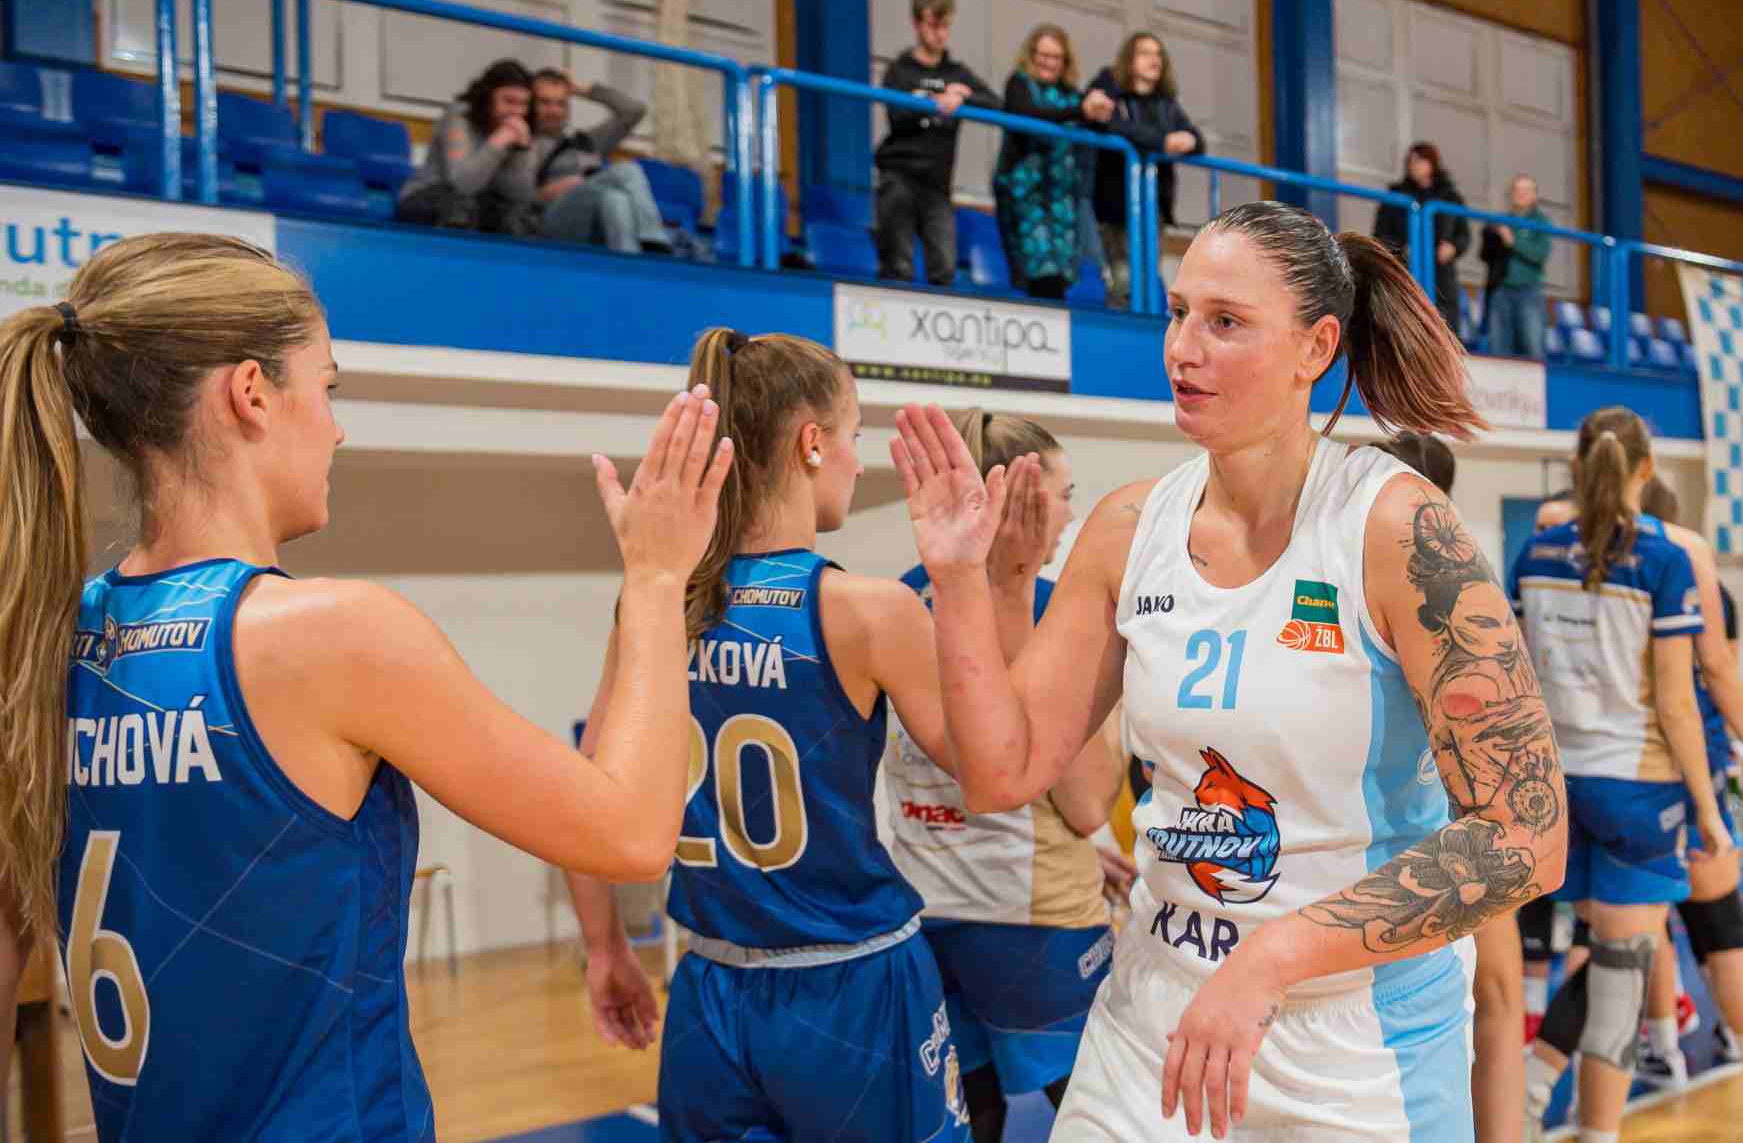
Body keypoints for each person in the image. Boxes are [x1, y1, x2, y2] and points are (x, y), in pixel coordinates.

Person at [0, 233, 732, 1140]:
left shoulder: (48, 635)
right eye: (328, 388)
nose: (337, 427)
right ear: (251, 393)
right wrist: (657, 578)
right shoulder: (330, 635)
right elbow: (630, 834)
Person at [892, 199, 1568, 1141]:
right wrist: (963, 579)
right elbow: (1000, 772)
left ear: (1314, 347)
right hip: (1158, 1012)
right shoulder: (1127, 530)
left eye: (1225, 322)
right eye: (1178, 313)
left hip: (1354, 1039)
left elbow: (1528, 835)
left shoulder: (1396, 528)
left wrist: (1274, 956)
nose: (1183, 348)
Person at [564, 328, 1050, 1142]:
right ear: (813, 443)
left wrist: (606, 948)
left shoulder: (653, 601)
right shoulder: (867, 610)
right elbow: (992, 774)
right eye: (854, 435)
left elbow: (586, 790)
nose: (858, 463)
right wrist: (981, 581)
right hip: (852, 984)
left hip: (710, 983)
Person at [1523, 463, 1743, 1135]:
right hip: (1668, 773)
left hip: (1621, 775)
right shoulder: (1682, 562)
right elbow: (1717, 674)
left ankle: (1553, 1085)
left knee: (1621, 948)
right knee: (1700, 932)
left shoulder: (1584, 564)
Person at [884, 408, 1126, 1143]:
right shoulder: (1054, 609)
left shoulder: (896, 600)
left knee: (971, 1118)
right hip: (1033, 923)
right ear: (1016, 498)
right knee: (1103, 1114)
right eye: (1062, 494)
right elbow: (1087, 805)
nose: (1070, 513)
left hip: (927, 909)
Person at [1512, 407, 1731, 1143]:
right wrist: (1707, 808)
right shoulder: (1663, 560)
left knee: (1597, 954)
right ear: (1646, 469)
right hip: (1638, 789)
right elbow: (1675, 702)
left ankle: (1534, 1089)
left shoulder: (1535, 553)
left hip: (1557, 784)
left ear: (1577, 467)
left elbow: (1518, 676)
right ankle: (1578, 1121)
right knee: (1618, 971)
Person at [1371, 431, 1523, 1143]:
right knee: (1495, 997)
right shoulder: (1469, 596)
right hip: (1430, 838)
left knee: (1489, 997)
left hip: (1430, 836)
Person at [873, 0, 1002, 285]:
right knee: (899, 264)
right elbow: (897, 115)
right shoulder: (900, 70)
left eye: (945, 26)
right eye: (933, 25)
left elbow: (997, 104)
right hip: (899, 175)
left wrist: (963, 97)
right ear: (917, 23)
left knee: (944, 267)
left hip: (938, 183)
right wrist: (933, 101)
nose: (940, 34)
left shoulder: (957, 72)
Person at [991, 27, 1115, 299]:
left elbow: (1096, 124)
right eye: (1043, 55)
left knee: (1060, 275)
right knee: (1041, 271)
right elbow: (1028, 113)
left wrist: (1100, 112)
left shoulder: (1071, 95)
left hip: (1061, 200)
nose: (1049, 62)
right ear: (1031, 55)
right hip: (1025, 196)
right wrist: (1080, 110)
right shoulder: (1019, 84)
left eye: (1056, 57)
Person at [1087, 32, 1202, 309]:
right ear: (1130, 59)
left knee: (1148, 280)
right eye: (1146, 53)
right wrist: (1162, 142)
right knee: (1124, 281)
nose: (1155, 60)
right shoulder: (1109, 83)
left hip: (1154, 207)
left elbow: (1196, 139)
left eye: (1158, 54)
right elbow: (1109, 124)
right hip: (1116, 205)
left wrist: (1190, 140)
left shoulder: (1166, 103)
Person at [529, 68, 673, 255]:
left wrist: (581, 89)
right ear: (531, 104)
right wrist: (560, 188)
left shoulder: (586, 141)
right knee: (627, 170)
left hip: (592, 225)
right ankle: (654, 239)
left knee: (615, 199)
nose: (554, 111)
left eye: (561, 103)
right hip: (549, 224)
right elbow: (518, 200)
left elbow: (634, 110)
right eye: (545, 102)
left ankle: (629, 261)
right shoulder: (525, 143)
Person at [397, 59, 539, 235]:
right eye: (509, 101)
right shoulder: (459, 115)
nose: (517, 112)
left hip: (480, 202)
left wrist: (522, 151)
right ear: (488, 98)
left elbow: (522, 197)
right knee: (462, 207)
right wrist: (498, 142)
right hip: (426, 197)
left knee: (520, 218)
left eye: (523, 104)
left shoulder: (521, 128)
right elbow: (463, 185)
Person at [1372, 143, 1470, 338]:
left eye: (1419, 160)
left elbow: (1463, 234)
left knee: (1444, 333)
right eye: (1410, 161)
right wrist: (1401, 249)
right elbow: (1381, 233)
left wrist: (1453, 247)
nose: (1413, 165)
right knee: (1405, 330)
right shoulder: (1395, 195)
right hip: (1404, 271)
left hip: (1441, 275)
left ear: (1432, 163)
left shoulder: (1451, 197)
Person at [1484, 176, 1552, 361]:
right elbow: (1485, 255)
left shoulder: (1542, 222)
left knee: (1533, 349)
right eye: (1517, 189)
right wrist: (1490, 235)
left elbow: (1538, 254)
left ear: (1535, 196)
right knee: (1498, 350)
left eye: (1526, 190)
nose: (1520, 194)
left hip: (1529, 291)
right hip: (1500, 290)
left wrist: (1513, 241)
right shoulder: (1499, 221)